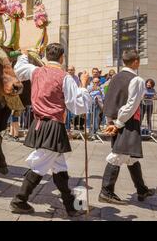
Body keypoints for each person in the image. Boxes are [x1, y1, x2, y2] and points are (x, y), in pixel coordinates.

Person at [9, 43, 91, 217]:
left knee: (59, 166)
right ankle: (19, 200)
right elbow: (78, 105)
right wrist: (83, 85)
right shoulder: (65, 77)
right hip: (53, 125)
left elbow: (20, 68)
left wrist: (23, 54)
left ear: (47, 56)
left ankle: (70, 206)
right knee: (40, 164)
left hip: (39, 123)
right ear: (62, 58)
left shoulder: (35, 71)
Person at [99, 49, 156, 205]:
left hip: (117, 120)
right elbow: (131, 105)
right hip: (127, 122)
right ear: (136, 61)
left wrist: (110, 120)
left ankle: (142, 189)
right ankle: (106, 191)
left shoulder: (115, 77)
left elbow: (109, 100)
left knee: (130, 157)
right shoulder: (136, 80)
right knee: (118, 155)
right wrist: (118, 124)